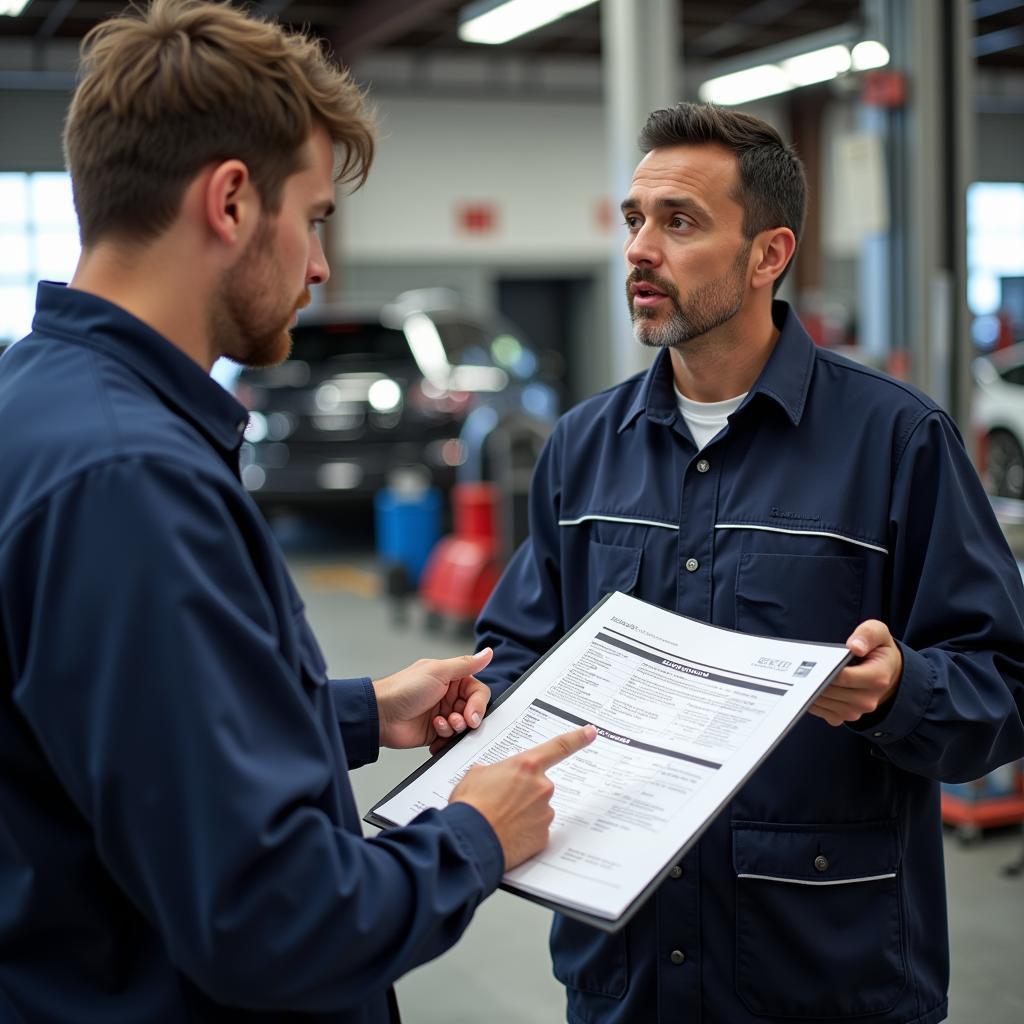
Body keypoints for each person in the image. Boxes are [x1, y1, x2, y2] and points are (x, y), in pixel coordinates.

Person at [0, 2, 597, 1021]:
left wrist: (361, 711)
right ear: (231, 201)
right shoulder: (129, 478)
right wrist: (472, 834)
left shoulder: (38, 402)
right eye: (314, 217)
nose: (321, 266)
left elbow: (124, 733)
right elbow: (272, 920)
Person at [476, 102, 1024, 1024]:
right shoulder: (582, 450)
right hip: (629, 978)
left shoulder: (897, 443)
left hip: (826, 975)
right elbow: (520, 655)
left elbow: (1003, 684)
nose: (640, 250)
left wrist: (899, 695)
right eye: (634, 219)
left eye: (679, 222)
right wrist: (489, 714)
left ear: (769, 255)